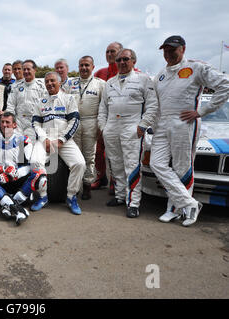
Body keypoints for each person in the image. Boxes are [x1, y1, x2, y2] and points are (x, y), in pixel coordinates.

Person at [151, 35, 229, 226]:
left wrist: (202, 111)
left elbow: (225, 85)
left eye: (173, 50)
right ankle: (190, 203)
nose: (168, 54)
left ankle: (177, 210)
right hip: (162, 124)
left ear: (183, 49)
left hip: (184, 122)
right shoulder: (160, 74)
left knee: (182, 167)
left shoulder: (196, 67)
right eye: (166, 51)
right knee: (156, 163)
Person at [98, 48, 158, 218]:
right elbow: (103, 108)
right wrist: (103, 127)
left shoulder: (144, 80)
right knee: (115, 164)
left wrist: (143, 125)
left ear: (133, 61)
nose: (122, 63)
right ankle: (120, 196)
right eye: (119, 60)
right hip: (112, 127)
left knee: (132, 165)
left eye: (125, 59)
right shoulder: (109, 82)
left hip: (132, 126)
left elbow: (153, 106)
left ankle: (133, 203)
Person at [32, 72, 86, 214]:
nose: (49, 84)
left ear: (60, 82)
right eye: (47, 81)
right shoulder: (40, 101)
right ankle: (43, 197)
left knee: (80, 163)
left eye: (52, 81)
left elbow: (74, 122)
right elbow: (36, 124)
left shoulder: (69, 99)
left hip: (64, 140)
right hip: (46, 139)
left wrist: (62, 140)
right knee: (35, 162)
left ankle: (71, 196)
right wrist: (45, 140)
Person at [0, 112, 46, 224]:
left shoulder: (24, 140)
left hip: (18, 180)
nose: (4, 125)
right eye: (2, 122)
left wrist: (16, 173)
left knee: (40, 175)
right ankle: (18, 209)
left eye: (7, 122)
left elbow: (32, 165)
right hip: (1, 179)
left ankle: (7, 205)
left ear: (14, 125)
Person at [64, 56, 106, 200]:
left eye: (87, 65)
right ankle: (74, 188)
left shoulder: (100, 84)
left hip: (91, 121)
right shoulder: (70, 83)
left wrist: (101, 126)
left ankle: (87, 185)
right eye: (81, 65)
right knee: (74, 156)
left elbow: (104, 106)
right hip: (73, 122)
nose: (83, 68)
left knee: (89, 156)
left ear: (93, 67)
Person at [93, 41, 124, 192]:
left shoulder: (131, 72)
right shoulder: (100, 73)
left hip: (121, 120)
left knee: (115, 153)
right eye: (107, 52)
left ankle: (115, 181)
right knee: (98, 151)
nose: (110, 54)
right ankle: (100, 177)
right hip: (102, 119)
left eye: (113, 51)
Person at [7, 59, 47, 140]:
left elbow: (46, 107)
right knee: (17, 148)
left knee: (31, 149)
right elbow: (10, 105)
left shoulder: (41, 86)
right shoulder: (16, 87)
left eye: (28, 69)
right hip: (19, 123)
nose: (26, 71)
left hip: (34, 123)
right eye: (24, 69)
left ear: (35, 70)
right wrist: (11, 122)